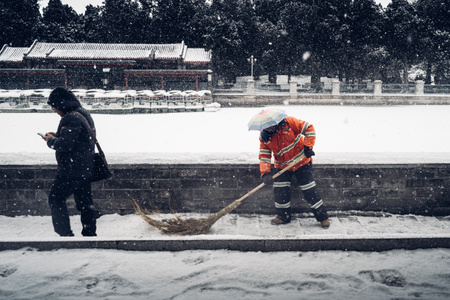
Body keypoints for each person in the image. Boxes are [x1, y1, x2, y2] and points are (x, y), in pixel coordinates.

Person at [256, 112, 330, 228]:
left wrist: (308, 147)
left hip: (302, 162)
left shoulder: (289, 123)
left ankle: (322, 217)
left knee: (309, 190)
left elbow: (309, 129)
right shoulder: (265, 138)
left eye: (270, 127)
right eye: (266, 128)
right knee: (280, 191)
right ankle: (283, 217)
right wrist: (265, 173)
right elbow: (264, 156)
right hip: (282, 166)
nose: (269, 129)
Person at [41, 87, 98, 237]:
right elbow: (79, 139)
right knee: (85, 203)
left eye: (54, 107)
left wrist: (50, 140)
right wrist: (58, 135)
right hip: (85, 167)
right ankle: (89, 233)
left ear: (61, 104)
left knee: (56, 198)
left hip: (71, 169)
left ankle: (64, 234)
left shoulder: (70, 117)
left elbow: (65, 145)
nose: (54, 110)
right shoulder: (82, 113)